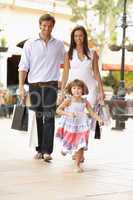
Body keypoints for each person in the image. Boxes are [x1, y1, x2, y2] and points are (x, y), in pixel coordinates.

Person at [18, 13, 65, 161]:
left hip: (51, 86)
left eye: (50, 26)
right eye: (44, 25)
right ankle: (39, 149)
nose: (47, 28)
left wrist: (64, 87)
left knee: (49, 117)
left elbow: (67, 64)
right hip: (34, 86)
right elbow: (23, 67)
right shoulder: (30, 43)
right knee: (37, 118)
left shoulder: (59, 45)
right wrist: (21, 87)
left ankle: (47, 151)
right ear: (40, 25)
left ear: (53, 27)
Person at [56, 79, 103, 173]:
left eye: (79, 88)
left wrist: (99, 119)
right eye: (74, 88)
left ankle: (77, 165)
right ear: (70, 89)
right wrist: (68, 114)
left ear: (83, 90)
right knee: (69, 141)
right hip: (70, 125)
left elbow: (92, 112)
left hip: (82, 124)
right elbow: (58, 110)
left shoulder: (85, 101)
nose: (76, 90)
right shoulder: (68, 100)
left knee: (81, 144)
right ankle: (65, 148)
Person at [60, 25, 104, 107]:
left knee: (89, 116)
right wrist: (62, 91)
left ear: (84, 37)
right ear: (73, 38)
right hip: (74, 91)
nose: (78, 38)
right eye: (76, 36)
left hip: (90, 90)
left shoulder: (92, 53)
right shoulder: (68, 54)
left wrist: (101, 91)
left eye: (80, 35)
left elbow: (97, 73)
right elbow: (65, 74)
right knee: (75, 116)